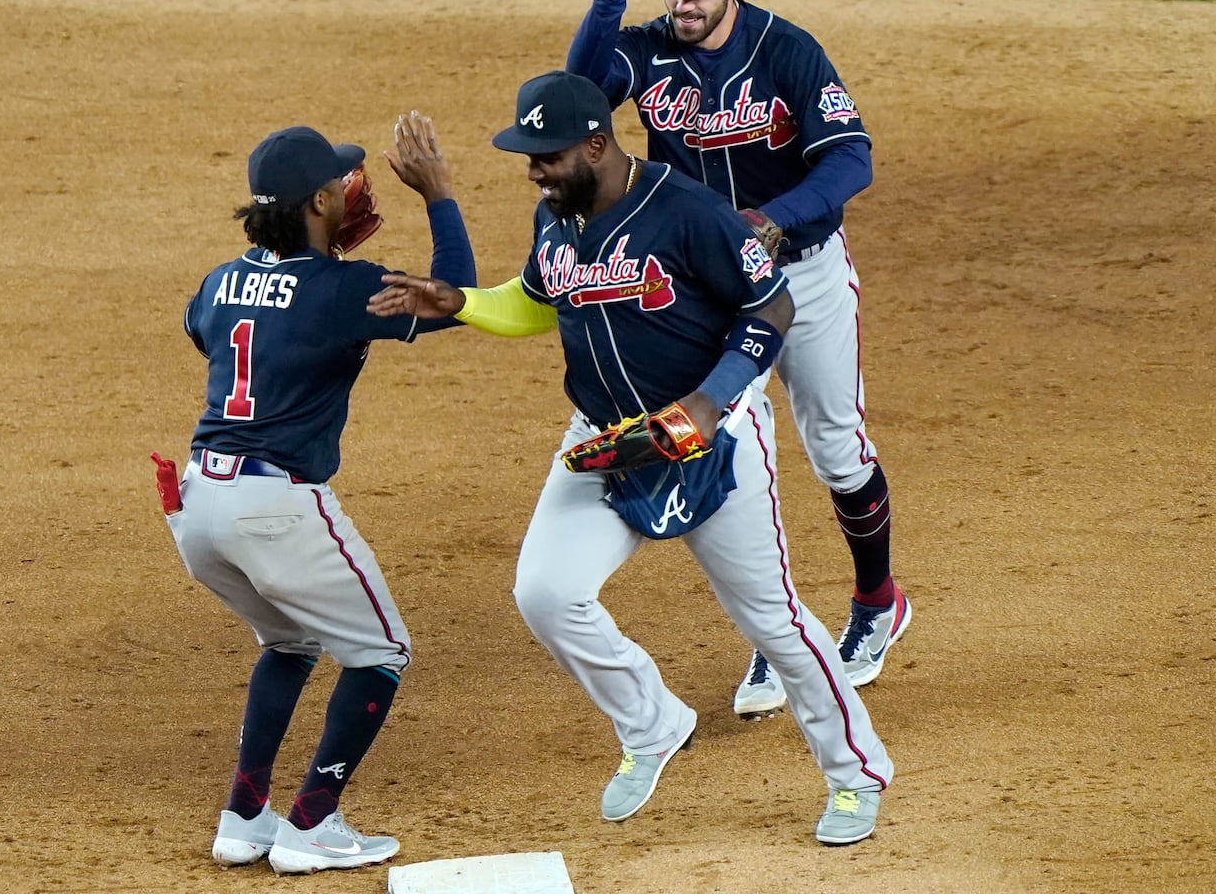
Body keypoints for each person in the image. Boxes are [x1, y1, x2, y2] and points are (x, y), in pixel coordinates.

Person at [367, 71, 892, 845]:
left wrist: (707, 407)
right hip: (605, 439)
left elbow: (771, 306)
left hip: (713, 439)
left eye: (545, 157)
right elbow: (538, 299)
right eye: (528, 158)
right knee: (546, 591)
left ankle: (854, 773)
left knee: (771, 621)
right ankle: (652, 723)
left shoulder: (689, 212)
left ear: (595, 144)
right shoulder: (558, 218)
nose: (534, 171)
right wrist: (466, 303)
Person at [565, 0, 912, 718]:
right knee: (735, 446)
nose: (680, 4)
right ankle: (778, 636)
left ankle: (876, 604)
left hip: (807, 274)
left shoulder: (787, 52)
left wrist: (774, 219)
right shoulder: (648, 49)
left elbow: (850, 158)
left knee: (835, 447)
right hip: (710, 290)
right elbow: (582, 91)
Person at [156, 114, 475, 874]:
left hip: (197, 507)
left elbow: (205, 331)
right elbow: (453, 297)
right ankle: (310, 824)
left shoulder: (219, 280)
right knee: (381, 653)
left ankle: (244, 817)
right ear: (318, 202)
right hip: (276, 507)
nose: (352, 190)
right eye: (340, 184)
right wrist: (438, 195)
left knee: (291, 642)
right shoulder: (346, 289)